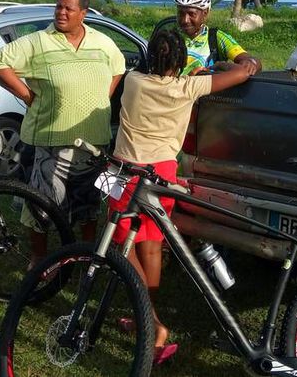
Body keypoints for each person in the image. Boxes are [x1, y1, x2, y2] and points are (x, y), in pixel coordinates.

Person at [109, 28, 256, 364]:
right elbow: (242, 73)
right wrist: (242, 62)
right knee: (151, 243)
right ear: (179, 61)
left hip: (129, 171)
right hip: (162, 174)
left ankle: (150, 319)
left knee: (121, 244)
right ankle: (148, 315)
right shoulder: (189, 87)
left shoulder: (133, 82)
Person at [0, 0, 126, 266]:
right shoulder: (38, 41)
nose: (61, 12)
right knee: (42, 206)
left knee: (89, 203)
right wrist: (26, 94)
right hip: (50, 143)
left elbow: (119, 67)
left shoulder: (102, 42)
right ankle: (40, 258)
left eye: (68, 8)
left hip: (93, 142)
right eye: (58, 6)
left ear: (83, 13)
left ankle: (85, 255)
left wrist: (102, 96)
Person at [172, 0, 262, 76]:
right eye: (181, 13)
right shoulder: (171, 38)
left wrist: (250, 63)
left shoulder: (214, 37)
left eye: (192, 14)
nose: (185, 20)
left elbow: (248, 58)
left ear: (205, 14)